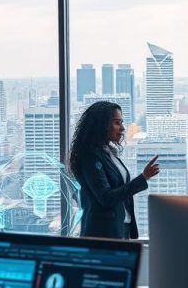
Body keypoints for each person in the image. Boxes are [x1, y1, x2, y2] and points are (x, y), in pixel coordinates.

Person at [69, 101, 160, 239]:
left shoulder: (108, 153)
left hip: (121, 229)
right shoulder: (90, 157)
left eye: (121, 122)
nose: (122, 128)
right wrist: (143, 178)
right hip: (103, 233)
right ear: (102, 125)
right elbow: (106, 198)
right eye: (117, 123)